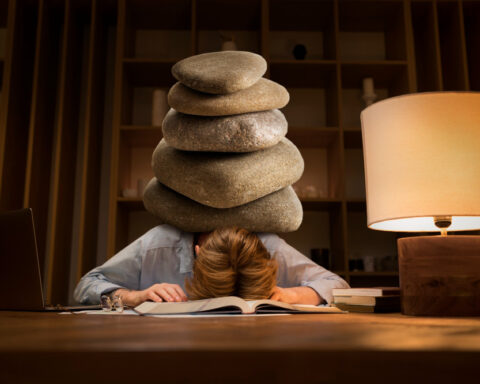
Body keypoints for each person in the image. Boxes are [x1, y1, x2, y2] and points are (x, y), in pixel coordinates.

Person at [74, 225, 349, 307]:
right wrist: (135, 296)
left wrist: (294, 294)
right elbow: (86, 284)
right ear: (198, 253)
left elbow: (338, 285)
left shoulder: (269, 247)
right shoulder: (158, 244)